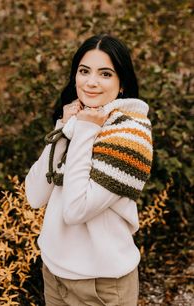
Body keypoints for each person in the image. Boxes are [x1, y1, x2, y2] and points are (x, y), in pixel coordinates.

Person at [25, 34, 153, 306]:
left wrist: (85, 130)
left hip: (102, 285)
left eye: (105, 74)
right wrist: (63, 127)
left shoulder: (129, 135)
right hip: (54, 273)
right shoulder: (76, 123)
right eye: (84, 71)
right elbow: (34, 195)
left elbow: (75, 210)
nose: (91, 82)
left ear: (122, 85)